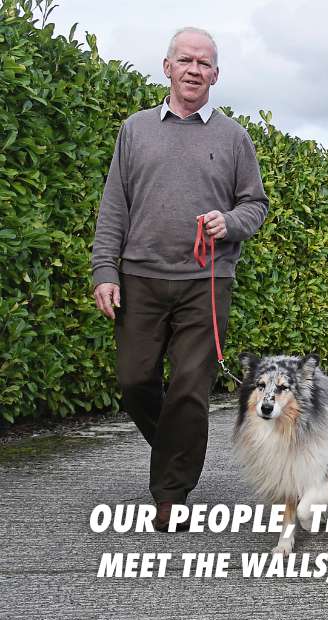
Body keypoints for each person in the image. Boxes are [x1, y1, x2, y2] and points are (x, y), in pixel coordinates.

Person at [90, 27, 269, 532]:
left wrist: (228, 222)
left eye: (204, 63)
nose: (194, 69)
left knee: (190, 388)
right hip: (140, 277)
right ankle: (176, 448)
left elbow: (256, 205)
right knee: (134, 381)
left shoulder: (234, 137)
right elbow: (113, 208)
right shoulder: (135, 129)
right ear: (167, 67)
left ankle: (171, 492)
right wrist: (105, 270)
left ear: (216, 74)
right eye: (185, 60)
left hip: (206, 281)